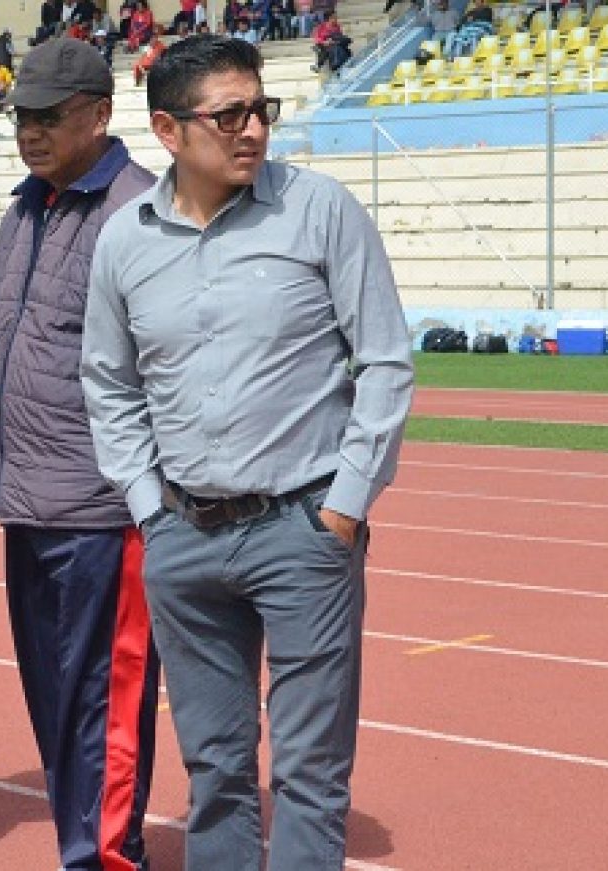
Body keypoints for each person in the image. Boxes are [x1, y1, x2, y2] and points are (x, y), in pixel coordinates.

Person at [82, 35, 413, 870]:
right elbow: (109, 385)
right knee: (217, 771)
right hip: (183, 538)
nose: (254, 130)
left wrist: (344, 507)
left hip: (304, 530)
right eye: (230, 115)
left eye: (261, 110)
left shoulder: (319, 209)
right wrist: (149, 510)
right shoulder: (124, 241)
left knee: (309, 773)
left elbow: (384, 361)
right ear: (168, 130)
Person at [0, 36, 160, 871]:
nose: (30, 131)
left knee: (102, 702)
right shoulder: (23, 212)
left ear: (101, 115)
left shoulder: (138, 211)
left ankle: (107, 857)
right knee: (53, 700)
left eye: (49, 116)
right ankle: (85, 846)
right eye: (22, 116)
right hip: (26, 500)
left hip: (102, 509)